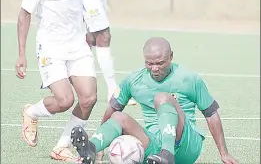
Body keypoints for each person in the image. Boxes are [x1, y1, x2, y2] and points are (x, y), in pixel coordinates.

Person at [70, 37, 239, 164]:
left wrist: (224, 153)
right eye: (149, 63)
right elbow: (112, 110)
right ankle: (90, 149)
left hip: (187, 144)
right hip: (154, 145)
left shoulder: (189, 78)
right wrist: (102, 144)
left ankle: (168, 154)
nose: (155, 68)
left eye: (160, 63)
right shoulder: (134, 80)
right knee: (119, 117)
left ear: (171, 56)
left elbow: (211, 114)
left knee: (162, 98)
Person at [16, 0, 98, 163]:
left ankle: (62, 146)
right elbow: (24, 15)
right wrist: (21, 54)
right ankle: (31, 112)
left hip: (78, 44)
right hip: (51, 46)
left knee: (89, 98)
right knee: (65, 101)